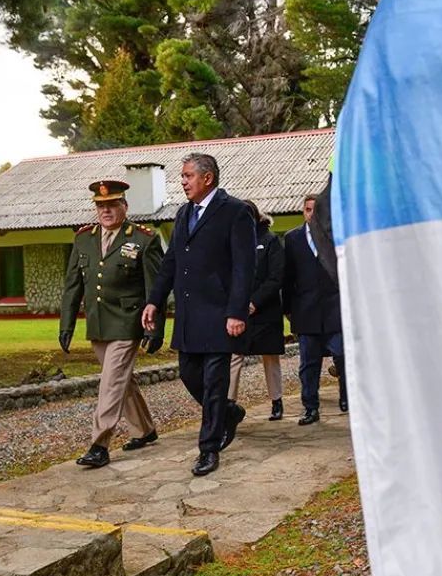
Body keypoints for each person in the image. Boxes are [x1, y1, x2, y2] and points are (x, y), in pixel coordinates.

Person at [142, 153, 255, 476]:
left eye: (188, 175)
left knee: (214, 383)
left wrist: (236, 312)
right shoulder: (183, 213)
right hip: (190, 316)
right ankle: (229, 413)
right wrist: (155, 301)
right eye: (182, 176)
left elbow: (244, 268)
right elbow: (171, 263)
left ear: (207, 178)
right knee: (190, 376)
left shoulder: (235, 212)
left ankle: (209, 448)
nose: (183, 181)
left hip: (220, 314)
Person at [60, 179, 165, 468]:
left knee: (110, 382)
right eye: (100, 205)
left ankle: (99, 443)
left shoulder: (144, 239)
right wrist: (66, 324)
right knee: (121, 380)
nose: (105, 210)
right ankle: (145, 430)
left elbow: (155, 288)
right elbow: (72, 286)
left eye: (111, 205)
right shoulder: (83, 238)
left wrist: (153, 329)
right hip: (98, 323)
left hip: (128, 322)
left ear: (124, 206)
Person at [282, 193, 347, 425]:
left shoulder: (334, 237)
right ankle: (310, 407)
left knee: (342, 356)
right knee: (308, 365)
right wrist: (288, 309)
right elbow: (287, 278)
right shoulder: (292, 239)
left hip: (333, 310)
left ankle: (345, 396)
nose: (311, 214)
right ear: (303, 211)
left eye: (315, 210)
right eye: (308, 209)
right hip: (306, 311)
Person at [228, 200, 286, 421]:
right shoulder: (231, 241)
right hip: (238, 311)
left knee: (270, 357)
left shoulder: (270, 241)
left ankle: (276, 400)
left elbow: (276, 277)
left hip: (265, 311)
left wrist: (254, 302)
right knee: (234, 356)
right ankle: (228, 404)